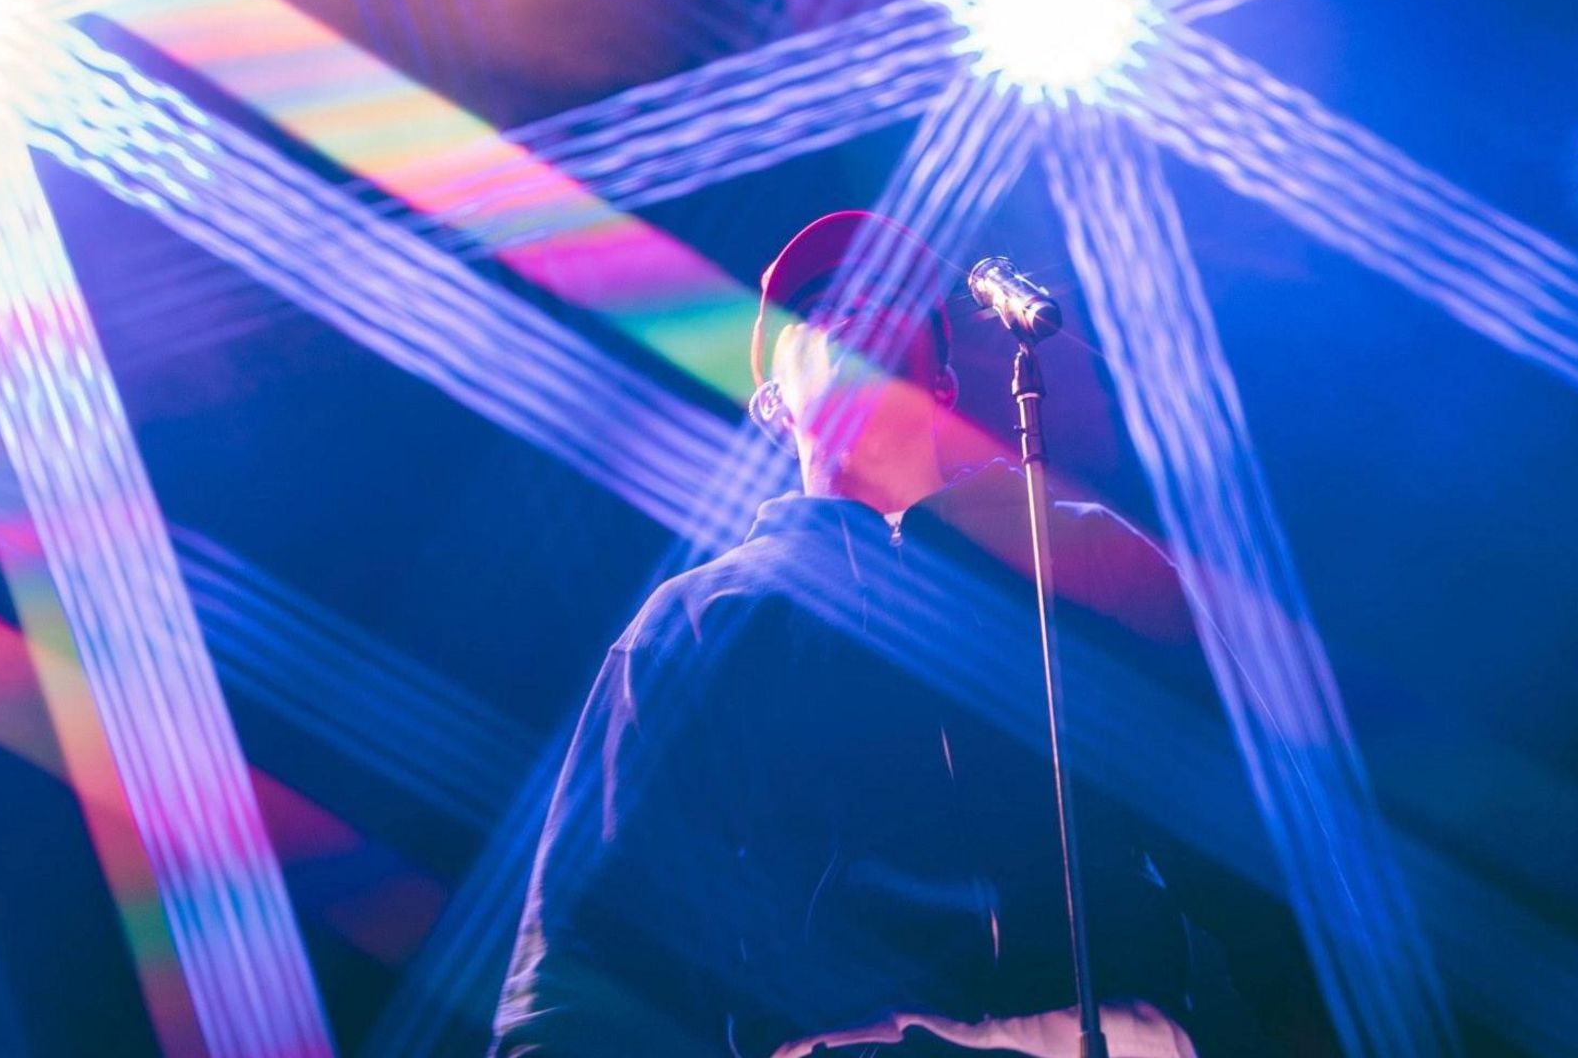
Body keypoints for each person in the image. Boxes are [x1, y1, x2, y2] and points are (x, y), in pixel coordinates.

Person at [490, 212, 1331, 1057]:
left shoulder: (1080, 555)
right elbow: (592, 954)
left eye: (895, 298)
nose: (862, 308)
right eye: (820, 310)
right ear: (773, 405)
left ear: (946, 383)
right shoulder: (701, 619)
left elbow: (1269, 859)